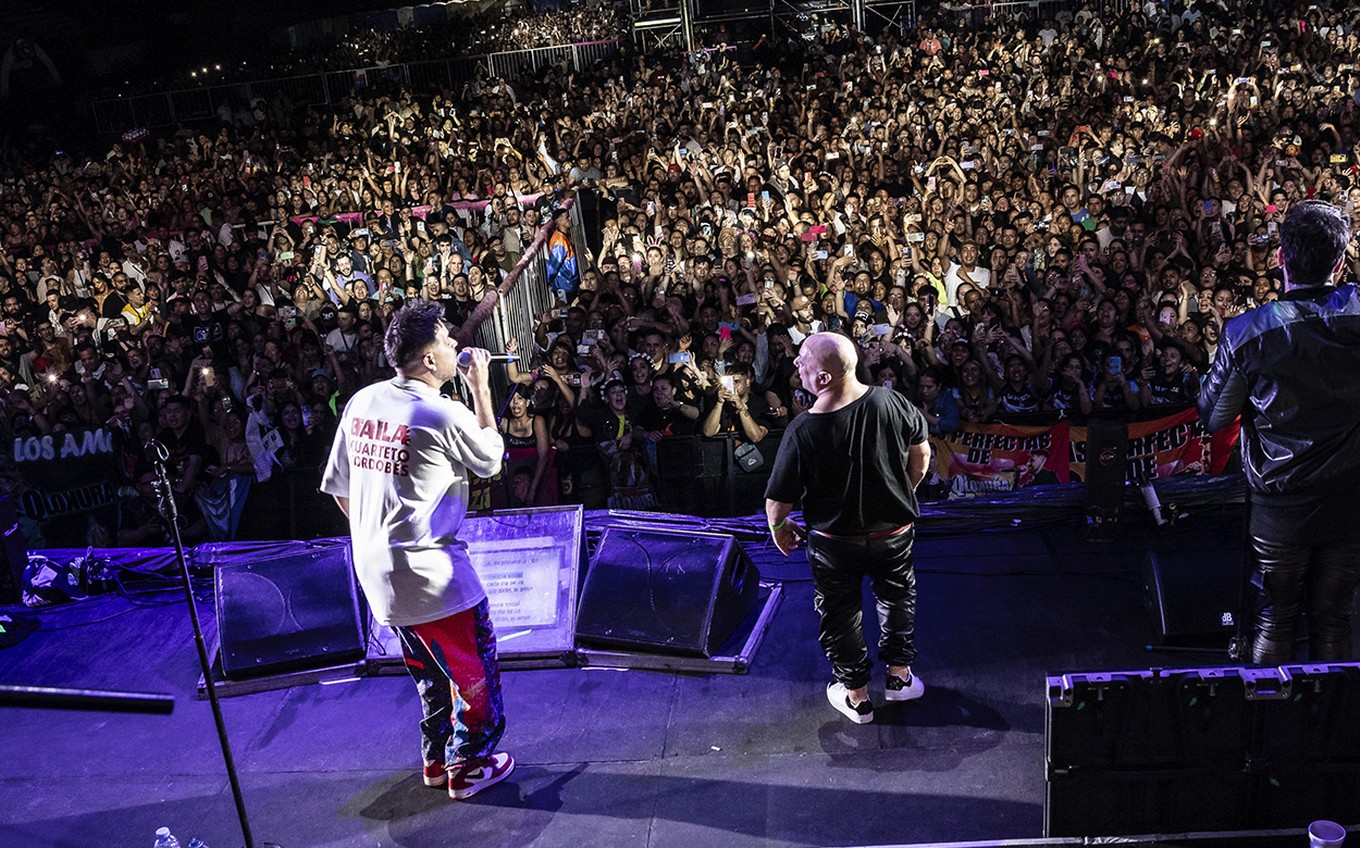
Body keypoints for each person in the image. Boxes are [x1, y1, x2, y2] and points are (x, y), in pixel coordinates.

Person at [320, 300, 514, 800]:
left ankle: (435, 758)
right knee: (473, 670)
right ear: (429, 360)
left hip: (378, 575)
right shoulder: (439, 410)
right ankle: (469, 765)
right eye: (448, 342)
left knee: (429, 672)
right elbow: (492, 459)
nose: (456, 347)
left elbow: (341, 489)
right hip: (434, 578)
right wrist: (481, 389)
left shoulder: (362, 402)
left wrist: (380, 541)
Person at [1199, 200, 1360, 664]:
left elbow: (1213, 417)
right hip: (1351, 493)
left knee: (1276, 614)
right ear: (1340, 262)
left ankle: (1268, 725)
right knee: (1335, 614)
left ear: (1280, 259)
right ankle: (1332, 728)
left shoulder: (1249, 330)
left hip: (1281, 500)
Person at [764, 332, 931, 724]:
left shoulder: (803, 430)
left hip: (835, 542)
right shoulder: (893, 402)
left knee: (840, 613)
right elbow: (921, 455)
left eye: (802, 359)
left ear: (823, 378)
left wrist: (779, 527)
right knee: (897, 600)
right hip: (893, 533)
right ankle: (899, 678)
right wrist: (901, 492)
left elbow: (778, 503)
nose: (795, 364)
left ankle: (856, 697)